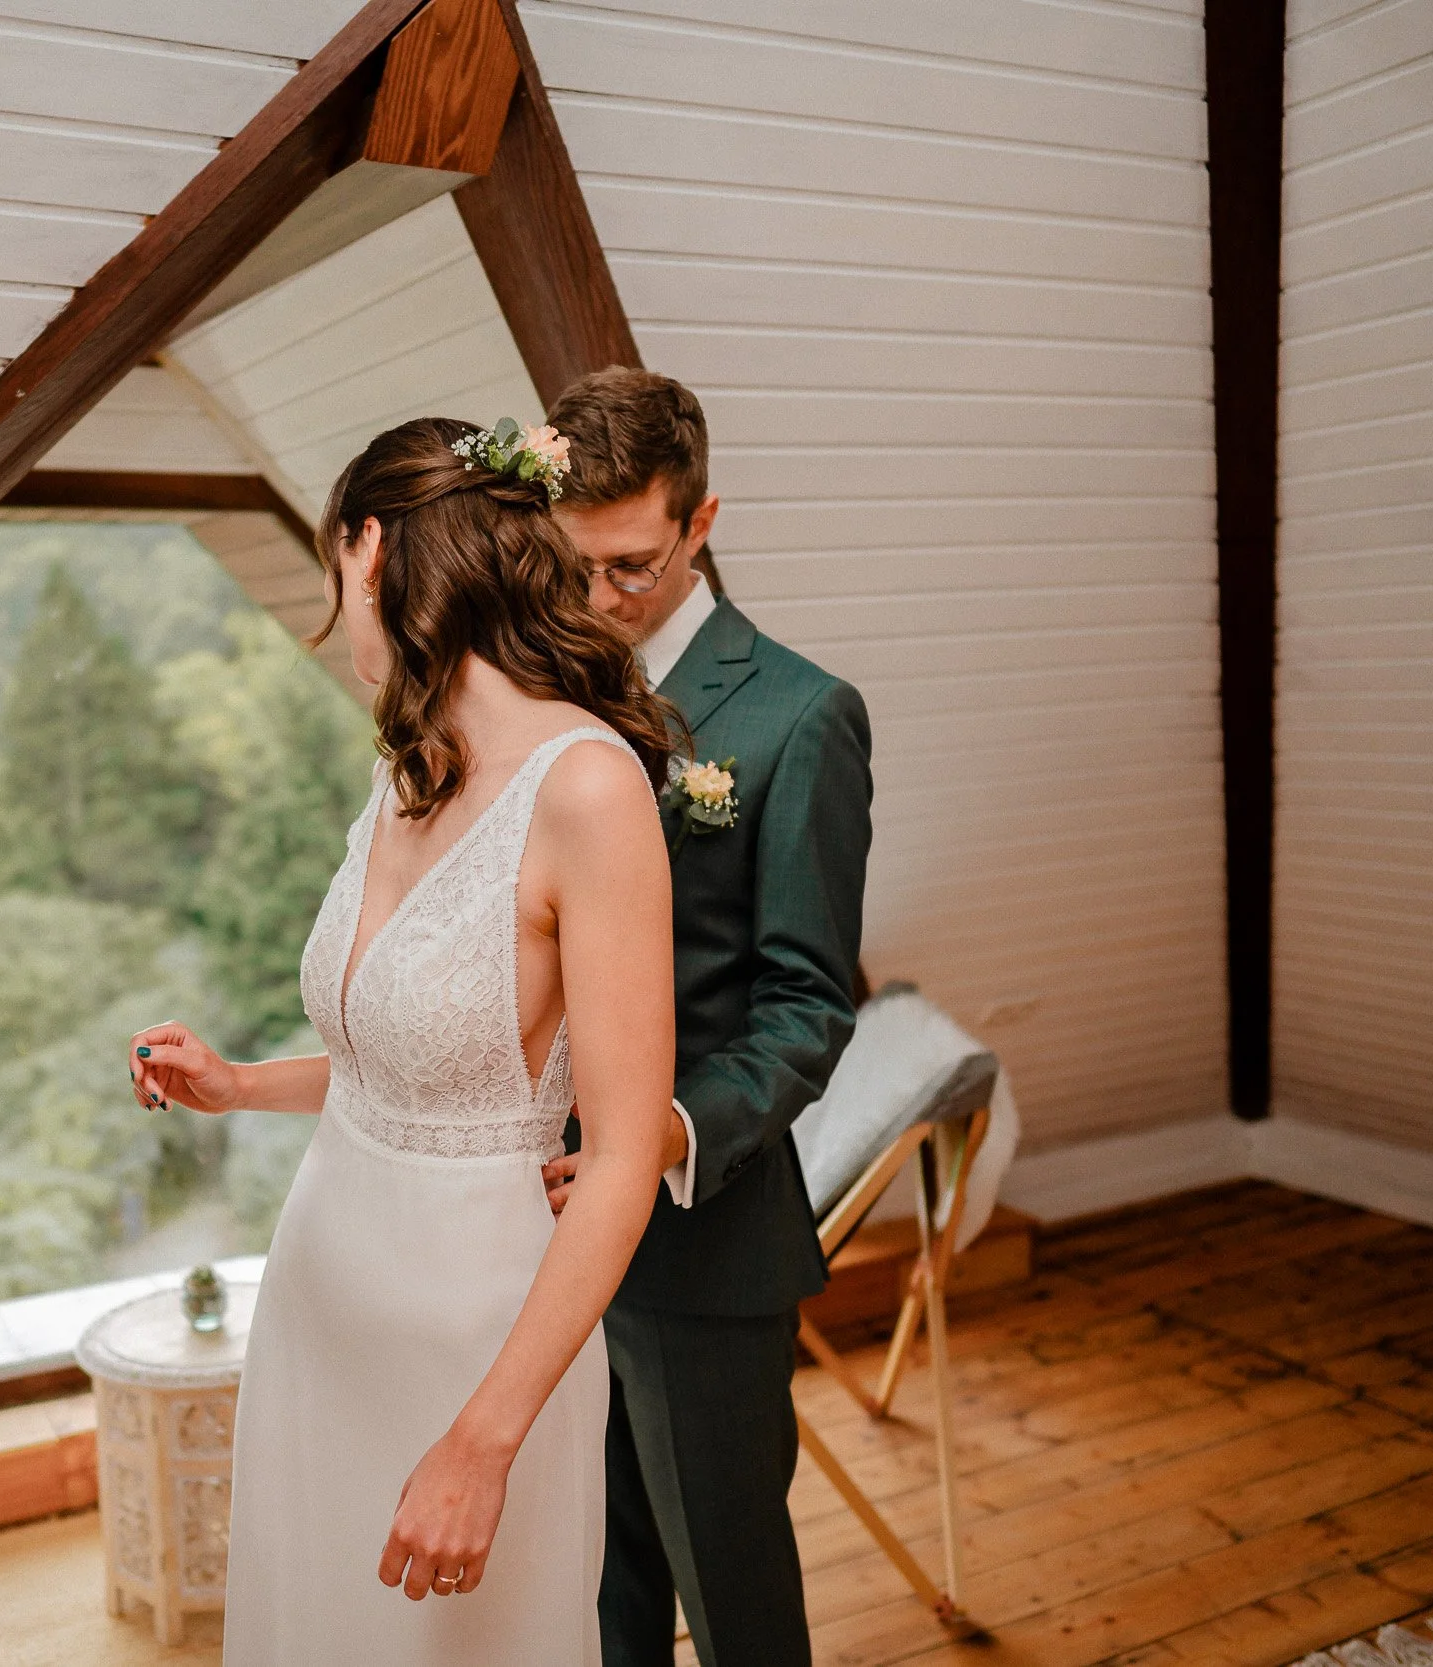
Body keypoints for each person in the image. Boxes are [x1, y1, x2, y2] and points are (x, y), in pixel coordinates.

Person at [126, 415, 682, 1666]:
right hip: (318, 1310)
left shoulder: (588, 787)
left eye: (335, 565)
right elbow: (407, 1067)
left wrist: (482, 1441)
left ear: (369, 547)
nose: (340, 605)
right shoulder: (409, 768)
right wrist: (236, 1083)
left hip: (473, 1345)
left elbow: (622, 1156)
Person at [540, 368, 873, 1667]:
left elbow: (806, 1004)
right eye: (574, 564)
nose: (598, 597)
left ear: (701, 522)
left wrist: (664, 1139)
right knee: (598, 1591)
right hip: (541, 1230)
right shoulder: (543, 693)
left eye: (630, 564)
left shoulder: (800, 715)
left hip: (700, 1240)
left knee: (734, 1604)